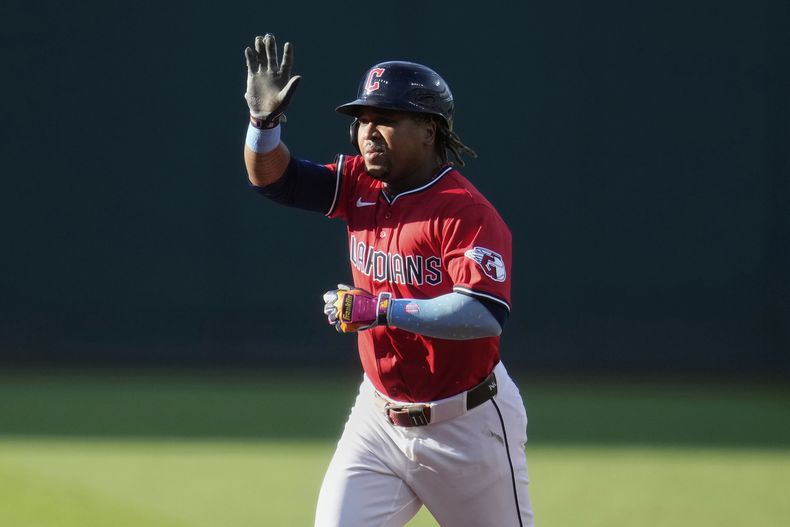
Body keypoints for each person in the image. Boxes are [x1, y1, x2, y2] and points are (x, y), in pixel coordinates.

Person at [243, 34, 535, 527]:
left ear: (428, 129)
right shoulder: (360, 182)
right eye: (362, 120)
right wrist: (264, 124)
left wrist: (379, 309)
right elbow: (276, 180)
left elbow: (483, 315)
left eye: (386, 119)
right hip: (378, 421)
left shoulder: (465, 212)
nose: (368, 131)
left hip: (466, 425)